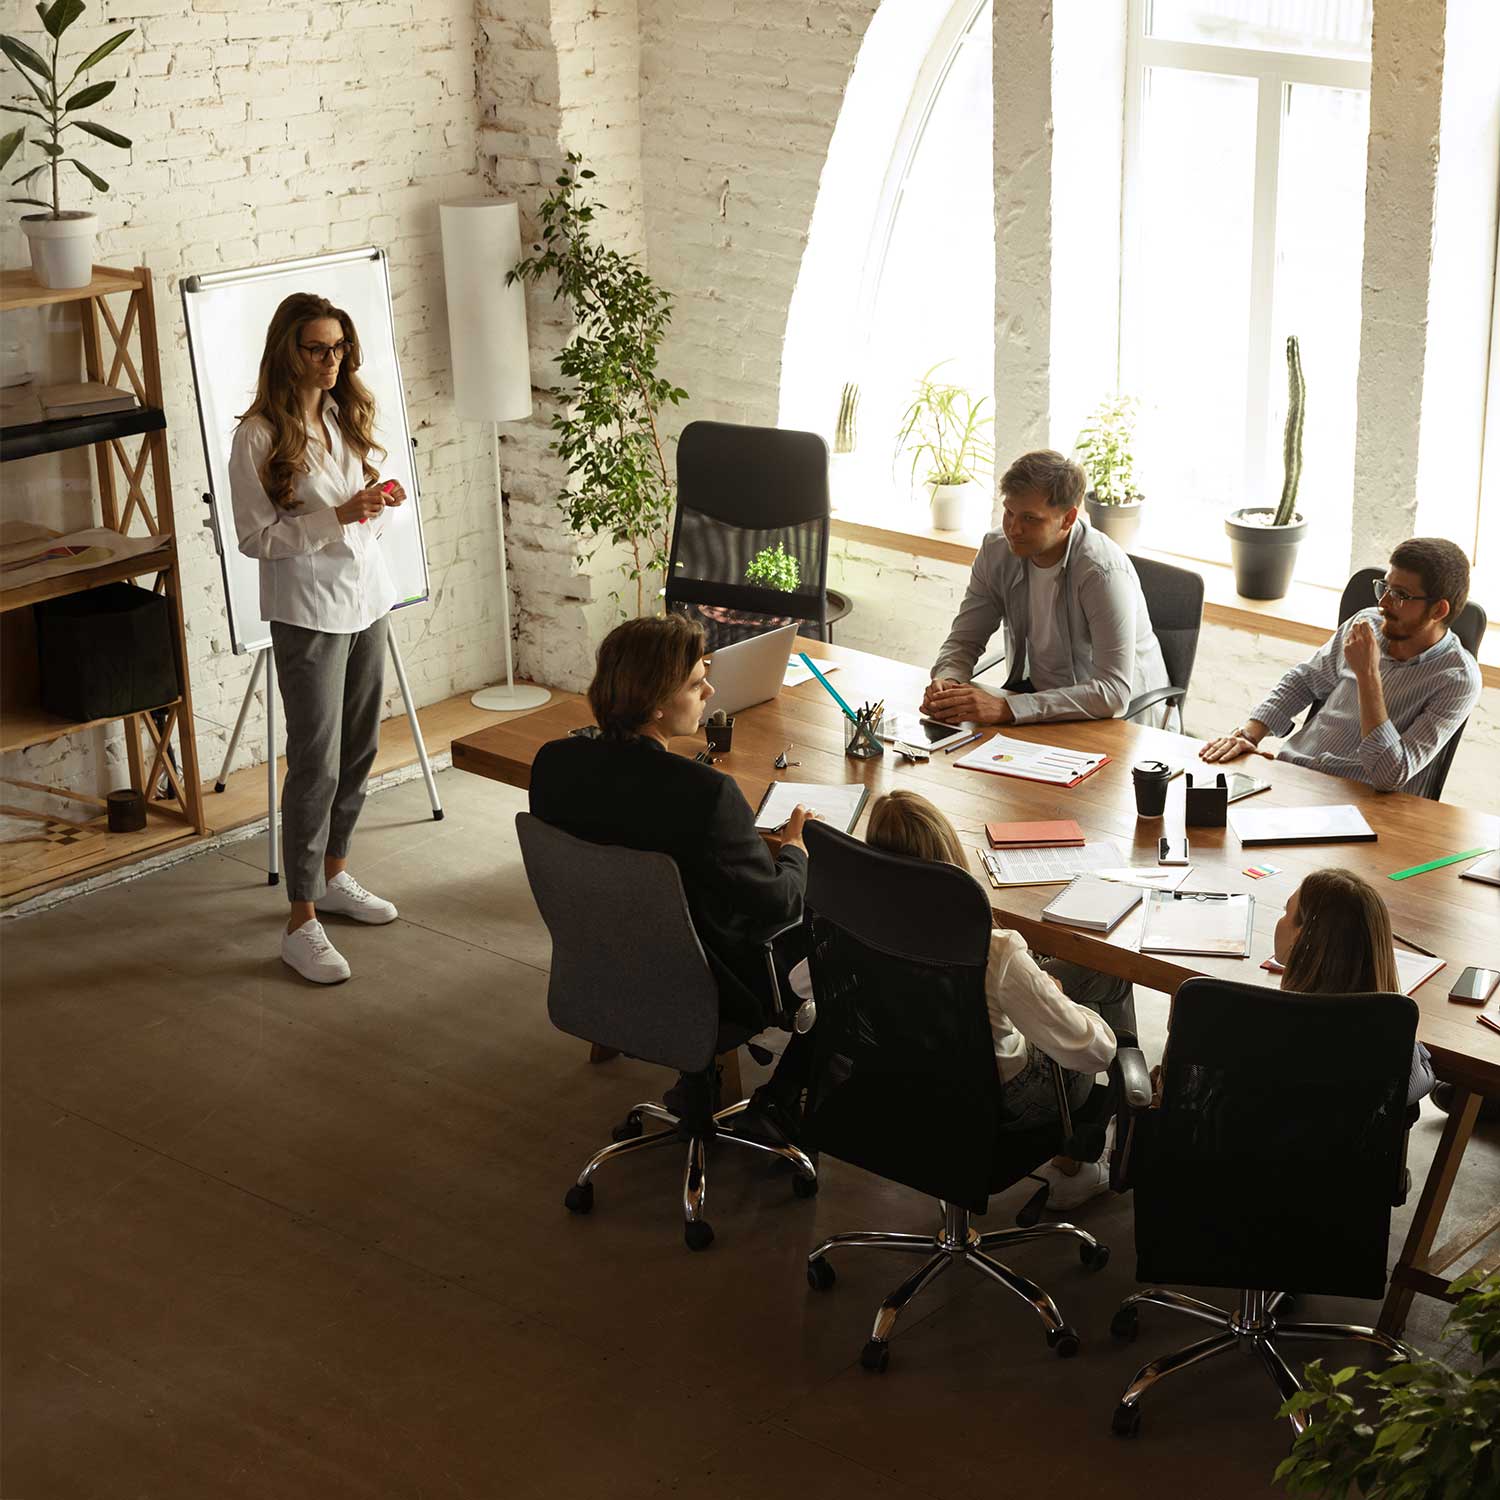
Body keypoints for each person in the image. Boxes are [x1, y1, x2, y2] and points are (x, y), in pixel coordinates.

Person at [529, 614, 814, 1130]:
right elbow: (778, 903)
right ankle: (785, 1097)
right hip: (711, 987)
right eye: (693, 682)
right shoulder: (705, 796)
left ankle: (695, 1081)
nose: (709, 688)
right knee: (835, 921)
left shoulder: (553, 763)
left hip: (598, 969)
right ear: (656, 703)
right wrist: (794, 850)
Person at [784, 789, 1131, 1207]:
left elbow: (802, 984)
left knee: (1077, 981)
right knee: (1095, 1009)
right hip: (996, 1107)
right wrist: (1062, 1002)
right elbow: (1094, 1053)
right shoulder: (994, 951)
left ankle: (1087, 1159)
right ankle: (1088, 1158)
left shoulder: (850, 933)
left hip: (892, 1083)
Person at [230, 292, 407, 984]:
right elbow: (256, 538)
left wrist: (376, 504)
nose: (332, 360)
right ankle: (300, 918)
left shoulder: (342, 415)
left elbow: (360, 518)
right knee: (316, 762)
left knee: (360, 747)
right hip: (308, 613)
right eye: (317, 348)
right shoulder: (258, 437)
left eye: (339, 347)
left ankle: (335, 875)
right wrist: (337, 517)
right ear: (288, 350)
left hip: (368, 601)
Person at [1202, 538, 1480, 797]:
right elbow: (1304, 680)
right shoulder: (1365, 623)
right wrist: (1249, 734)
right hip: (1293, 776)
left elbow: (1391, 774)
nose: (1382, 604)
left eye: (1401, 595)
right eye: (1385, 588)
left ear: (1438, 611)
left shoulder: (1458, 679)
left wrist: (1368, 675)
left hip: (1362, 805)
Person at [921, 450, 1172, 729]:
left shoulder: (1101, 572)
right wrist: (948, 680)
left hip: (1123, 725)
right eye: (1009, 512)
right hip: (1043, 712)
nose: (1013, 529)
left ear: (1068, 519)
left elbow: (1113, 692)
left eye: (1030, 519)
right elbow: (964, 640)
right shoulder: (996, 550)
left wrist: (1007, 708)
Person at [1273, 868, 1434, 1107]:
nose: (1280, 919)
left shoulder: (1258, 1017)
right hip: (1343, 1144)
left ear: (1302, 936)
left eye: (1286, 911)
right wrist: (1418, 1050)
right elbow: (1412, 1088)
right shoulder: (1389, 1034)